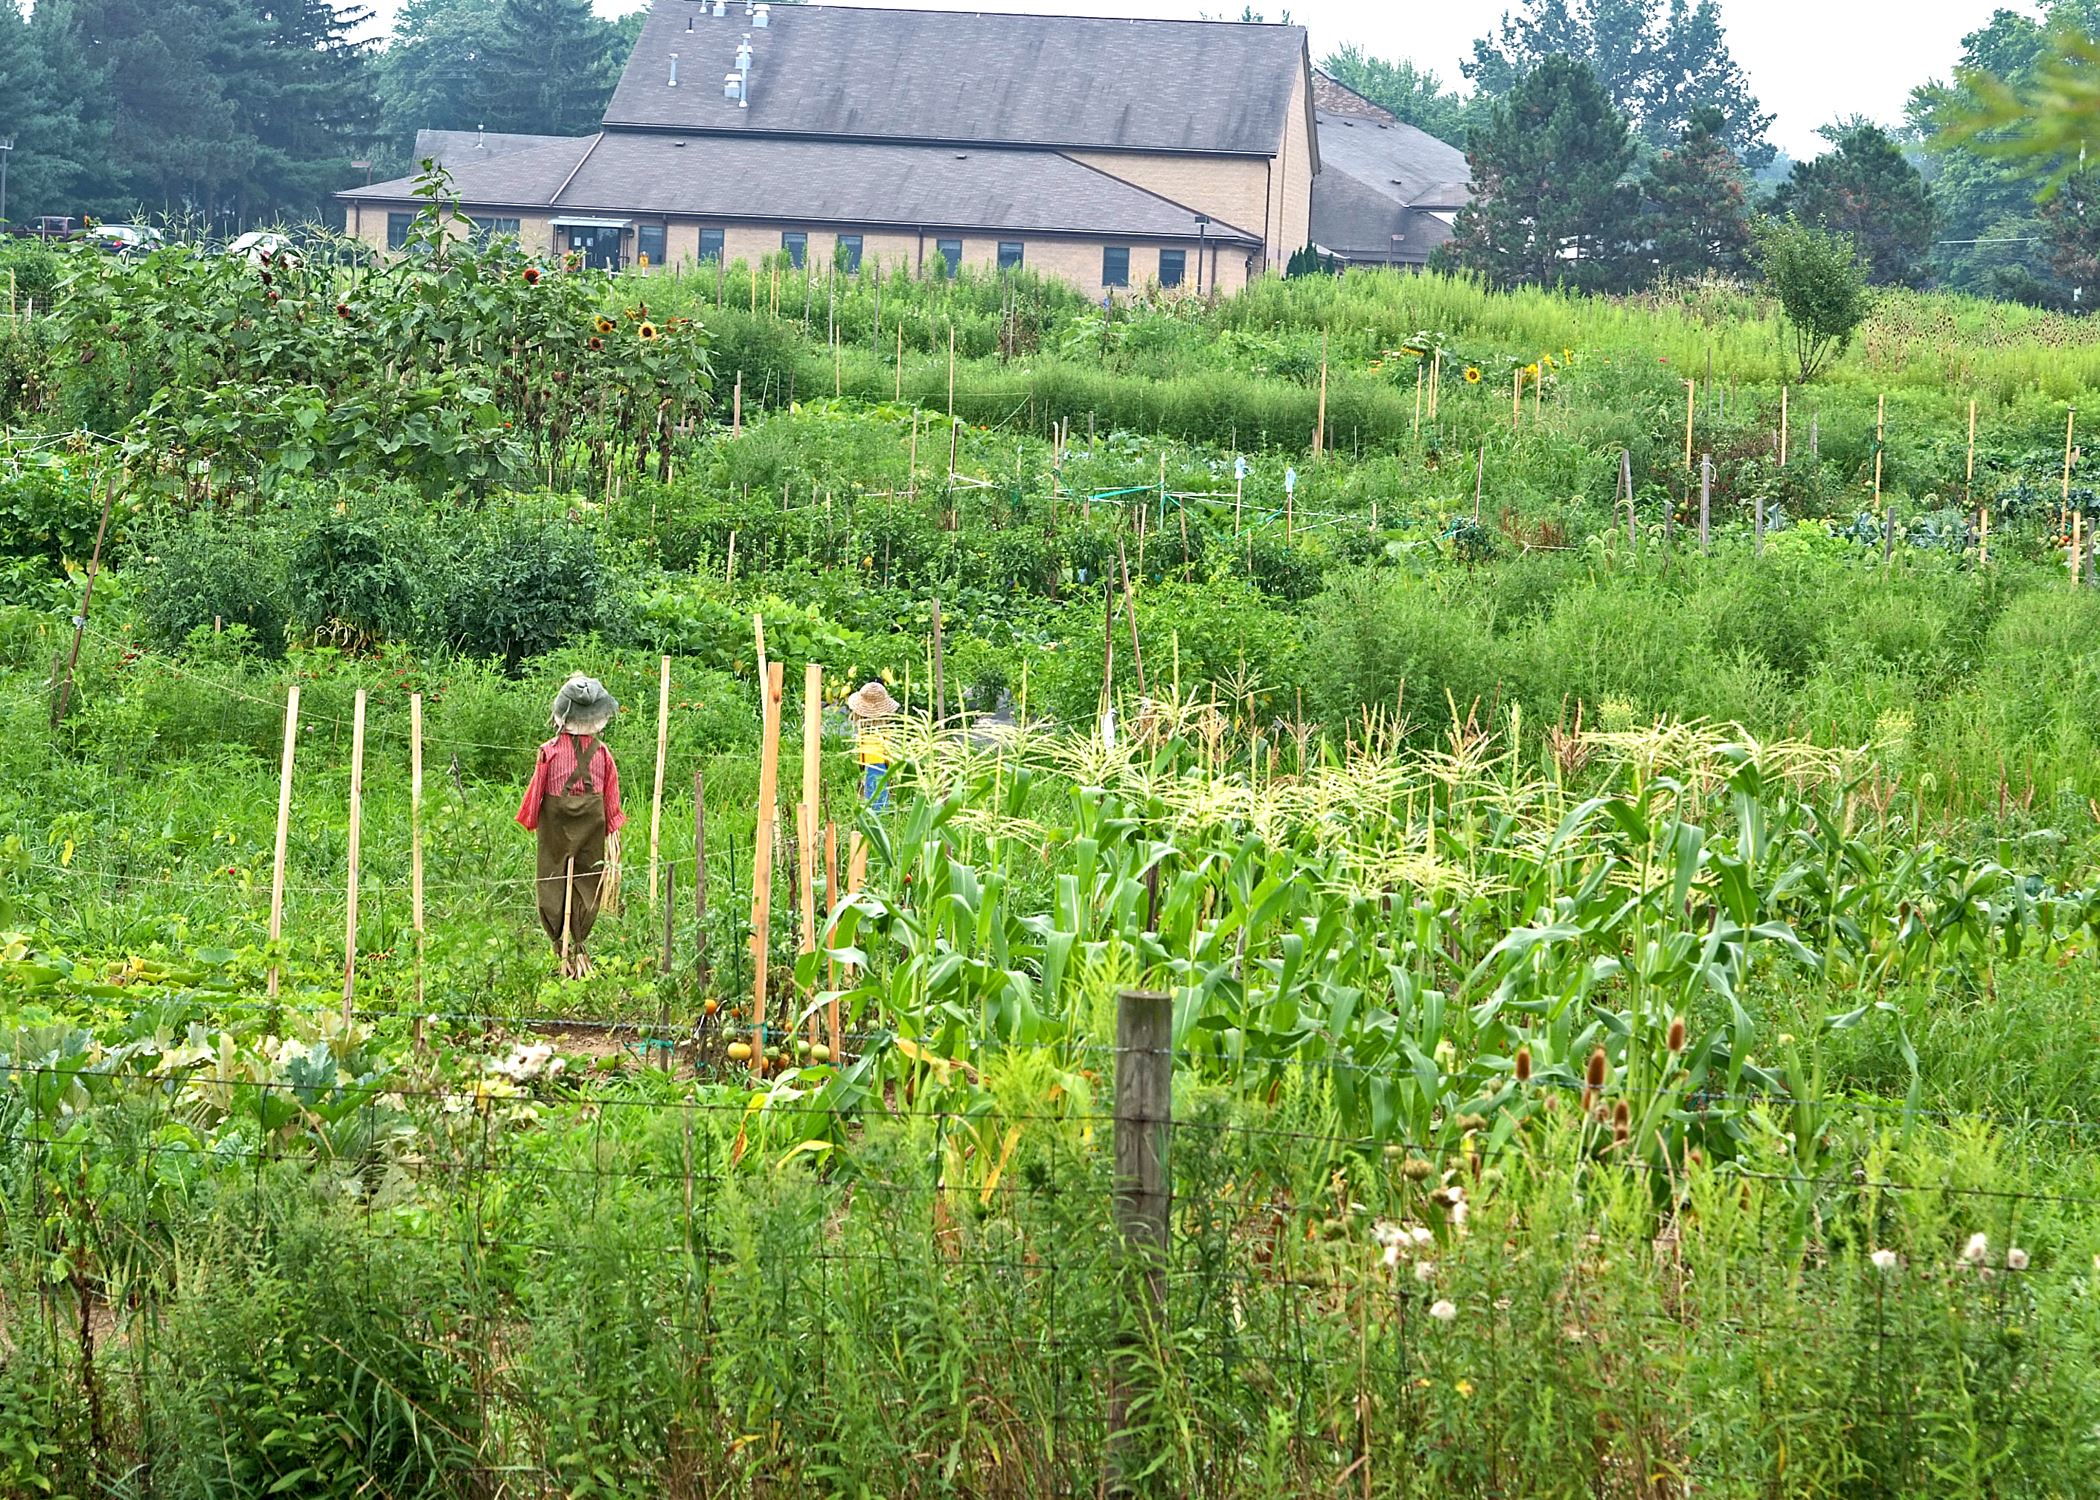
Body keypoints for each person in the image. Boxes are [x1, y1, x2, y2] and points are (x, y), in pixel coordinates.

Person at [516, 674, 626, 977]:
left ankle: (559, 945)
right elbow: (611, 797)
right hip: (592, 820)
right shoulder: (603, 753)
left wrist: (529, 817)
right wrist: (612, 826)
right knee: (588, 877)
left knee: (551, 874)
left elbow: (536, 790)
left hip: (555, 821)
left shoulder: (548, 750)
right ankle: (578, 944)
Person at [846, 680, 898, 810]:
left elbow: (863, 761)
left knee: (874, 800)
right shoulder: (883, 733)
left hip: (872, 768)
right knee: (879, 798)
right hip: (879, 768)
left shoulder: (866, 735)